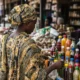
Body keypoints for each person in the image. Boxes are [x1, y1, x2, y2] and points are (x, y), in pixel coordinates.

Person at [0, 4, 62, 80]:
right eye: (34, 23)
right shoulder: (29, 45)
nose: (34, 26)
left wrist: (40, 55)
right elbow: (37, 77)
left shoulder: (6, 38)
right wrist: (54, 66)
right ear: (27, 23)